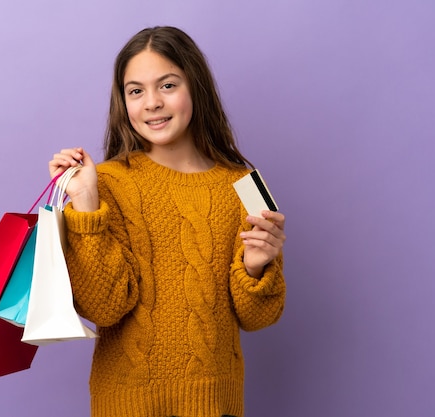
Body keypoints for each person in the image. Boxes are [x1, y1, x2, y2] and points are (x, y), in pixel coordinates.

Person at [49, 26, 286, 417]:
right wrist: (87, 203)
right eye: (136, 91)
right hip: (127, 404)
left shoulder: (242, 185)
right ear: (122, 101)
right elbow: (103, 308)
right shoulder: (107, 183)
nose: (152, 103)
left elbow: (258, 317)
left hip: (215, 402)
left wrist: (256, 266)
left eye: (168, 85)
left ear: (196, 87)